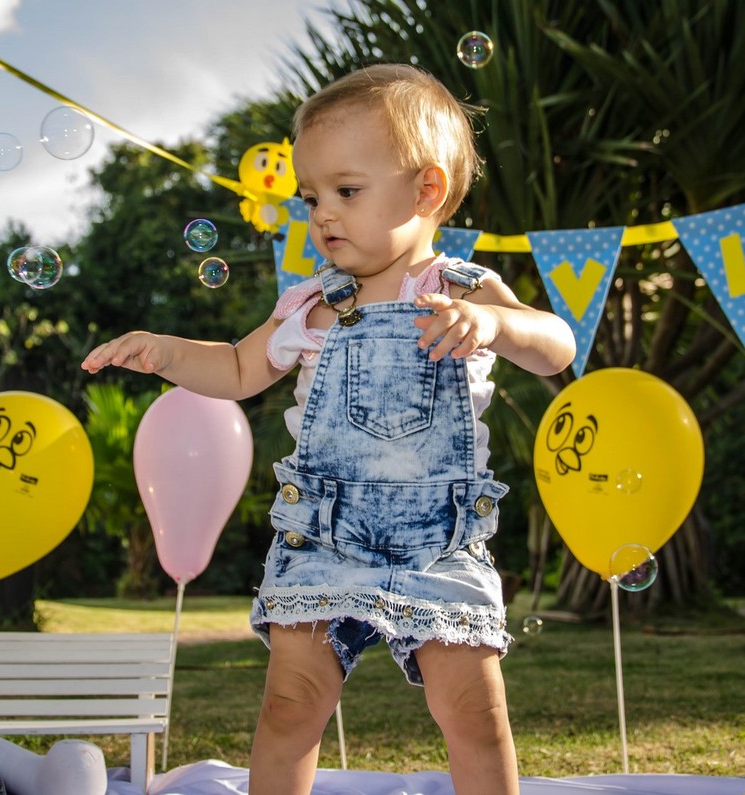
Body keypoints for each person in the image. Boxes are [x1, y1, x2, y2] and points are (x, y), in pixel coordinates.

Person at [82, 63, 576, 795]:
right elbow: (238, 368)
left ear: (426, 191)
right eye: (312, 197)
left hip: (438, 540)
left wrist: (496, 325)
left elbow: (556, 344)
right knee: (290, 705)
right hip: (323, 535)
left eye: (346, 191)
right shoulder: (312, 304)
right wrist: (167, 353)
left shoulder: (460, 289)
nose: (322, 215)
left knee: (474, 712)